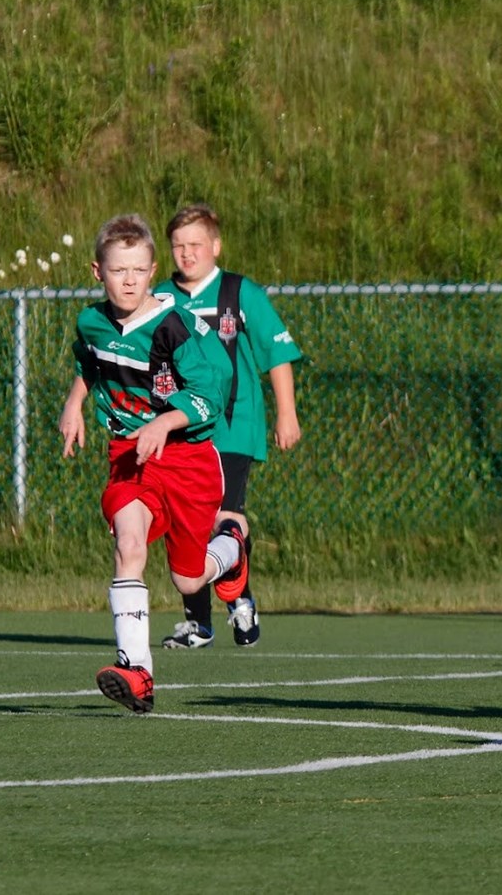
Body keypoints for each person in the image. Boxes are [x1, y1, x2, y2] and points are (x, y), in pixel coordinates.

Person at [58, 214, 244, 713]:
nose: (130, 280)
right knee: (129, 545)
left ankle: (231, 549)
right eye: (119, 271)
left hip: (186, 458)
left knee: (188, 579)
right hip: (129, 455)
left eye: (140, 270)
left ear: (152, 269)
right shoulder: (91, 321)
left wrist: (164, 424)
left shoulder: (171, 327)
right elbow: (89, 361)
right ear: (97, 271)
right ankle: (137, 673)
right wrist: (74, 404)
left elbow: (208, 396)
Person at [153, 203, 304, 649]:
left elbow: (276, 356)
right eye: (179, 246)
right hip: (181, 428)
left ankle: (239, 600)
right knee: (184, 523)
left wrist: (286, 412)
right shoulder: (160, 296)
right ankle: (199, 622)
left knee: (223, 518)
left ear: (215, 246)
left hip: (235, 426)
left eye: (196, 244)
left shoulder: (240, 293)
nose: (187, 253)